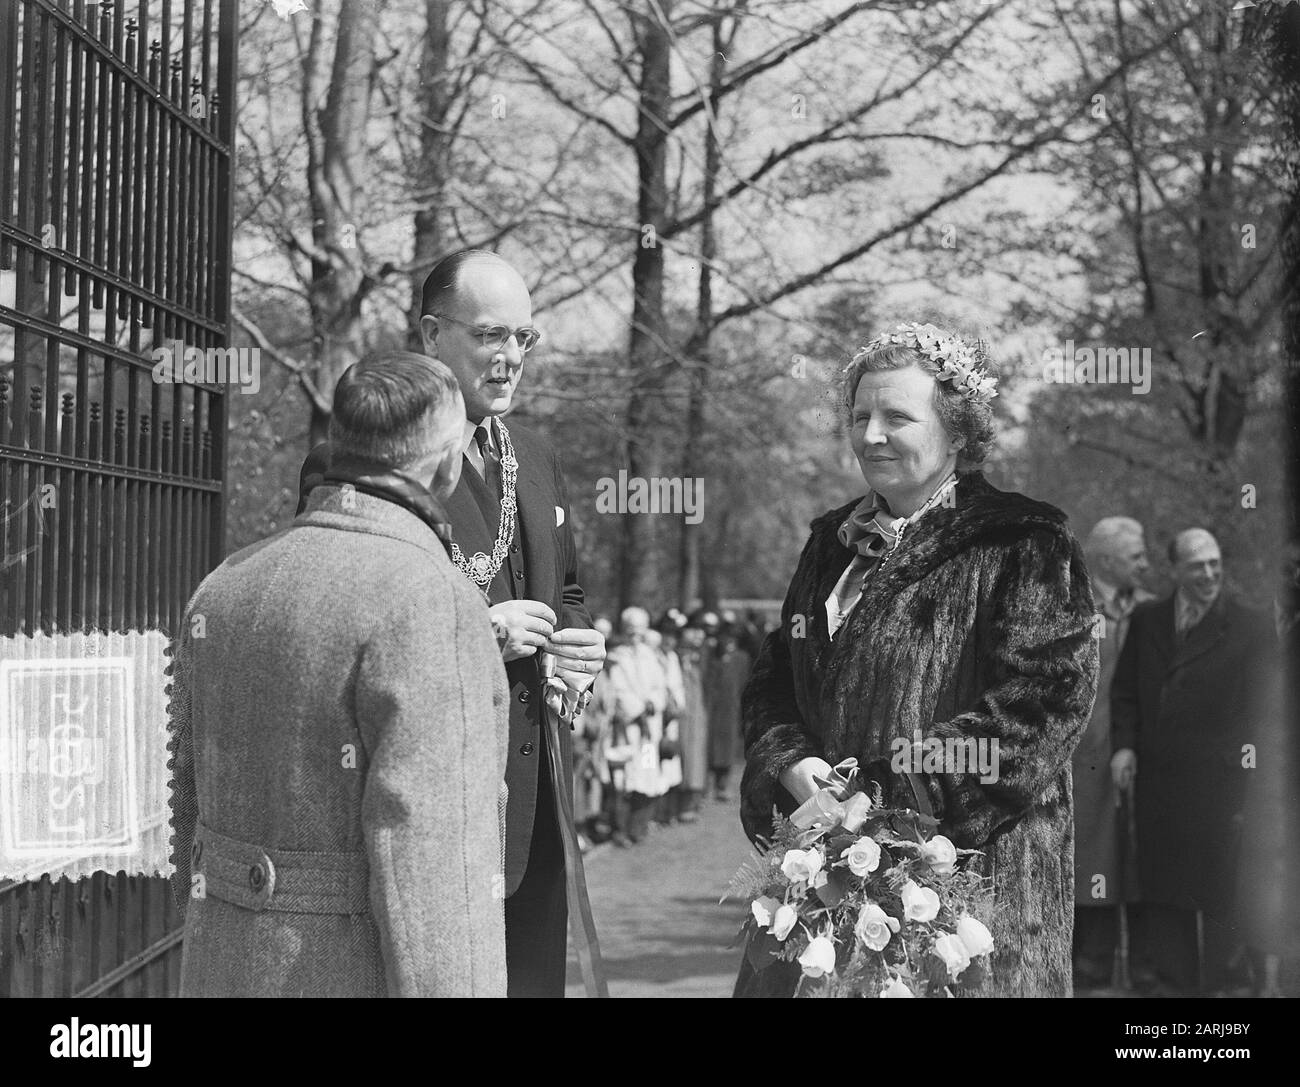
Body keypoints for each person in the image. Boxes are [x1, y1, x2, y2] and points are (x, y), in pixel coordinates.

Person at [735, 322, 1098, 998]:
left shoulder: (1023, 541)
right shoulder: (830, 544)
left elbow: (1040, 708)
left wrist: (882, 800)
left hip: (968, 897)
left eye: (896, 417)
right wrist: (790, 762)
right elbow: (772, 682)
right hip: (823, 888)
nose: (870, 435)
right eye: (859, 416)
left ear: (957, 431)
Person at [299, 249, 606, 999]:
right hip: (433, 804)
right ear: (433, 334)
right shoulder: (357, 457)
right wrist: (478, 634)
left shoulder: (536, 456)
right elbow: (338, 609)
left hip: (536, 800)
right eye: (492, 335)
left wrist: (577, 648)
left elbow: (565, 588)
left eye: (524, 337)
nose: (512, 357)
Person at [169, 352, 508, 997]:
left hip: (218, 963)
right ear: (446, 463)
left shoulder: (225, 584)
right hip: (347, 971)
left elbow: (185, 804)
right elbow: (436, 865)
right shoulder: (429, 598)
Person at [1111, 528, 1275, 992]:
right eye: (1197, 565)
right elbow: (1125, 691)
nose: (1209, 574)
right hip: (1158, 779)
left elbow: (1265, 708)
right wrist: (1124, 746)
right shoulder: (1148, 619)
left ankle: (1225, 985)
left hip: (1221, 782)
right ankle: (1174, 983)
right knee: (1164, 884)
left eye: (1214, 563)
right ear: (1175, 569)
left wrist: (1242, 765)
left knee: (1221, 886)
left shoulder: (1250, 625)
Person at [1071, 516, 1153, 985]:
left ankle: (1145, 971)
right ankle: (1092, 969)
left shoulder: (1151, 610)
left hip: (1142, 754)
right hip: (1087, 755)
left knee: (1140, 857)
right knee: (1093, 856)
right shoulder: (1073, 608)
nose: (1145, 564)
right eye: (1135, 556)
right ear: (1105, 561)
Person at [606, 606, 671, 843]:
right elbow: (617, 690)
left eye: (639, 631)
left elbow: (660, 687)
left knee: (646, 775)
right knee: (624, 779)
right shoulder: (616, 657)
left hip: (648, 731)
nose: (635, 636)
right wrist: (637, 709)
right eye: (631, 630)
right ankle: (620, 829)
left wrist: (653, 703)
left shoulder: (651, 656)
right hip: (628, 729)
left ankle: (639, 826)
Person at [706, 628, 751, 802]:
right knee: (713, 748)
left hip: (731, 710)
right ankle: (712, 785)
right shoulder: (713, 660)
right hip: (714, 711)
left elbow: (743, 683)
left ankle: (723, 785)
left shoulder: (740, 659)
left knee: (728, 749)